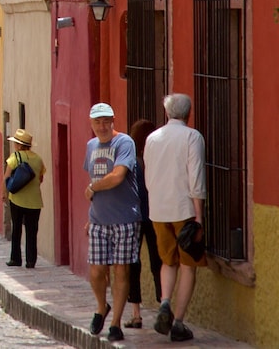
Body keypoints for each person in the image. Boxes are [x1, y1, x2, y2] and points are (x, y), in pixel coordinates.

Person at [143, 94, 206, 343]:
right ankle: (178, 322)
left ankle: (165, 302)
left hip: (158, 209)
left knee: (168, 261)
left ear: (167, 113)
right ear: (188, 113)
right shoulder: (192, 137)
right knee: (188, 266)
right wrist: (199, 216)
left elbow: (149, 175)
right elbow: (196, 178)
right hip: (184, 210)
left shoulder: (152, 138)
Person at [83, 102, 141, 343]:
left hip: (125, 218)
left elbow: (117, 176)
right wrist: (89, 215)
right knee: (96, 271)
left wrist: (93, 187)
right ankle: (100, 307)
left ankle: (116, 323)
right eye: (98, 121)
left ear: (113, 120)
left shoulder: (124, 142)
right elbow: (93, 179)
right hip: (99, 219)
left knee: (121, 269)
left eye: (106, 120)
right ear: (92, 123)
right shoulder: (91, 146)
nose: (102, 126)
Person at [125, 119, 163, 329]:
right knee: (159, 262)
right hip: (156, 216)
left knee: (133, 264)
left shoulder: (131, 162)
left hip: (135, 218)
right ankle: (163, 306)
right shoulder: (156, 160)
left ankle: (136, 313)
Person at [2, 129, 45, 269]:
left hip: (17, 199)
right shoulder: (38, 159)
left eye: (15, 143)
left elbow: (6, 177)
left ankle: (15, 258)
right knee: (32, 231)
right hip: (35, 201)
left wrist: (4, 194)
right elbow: (40, 178)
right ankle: (31, 261)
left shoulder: (15, 157)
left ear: (20, 145)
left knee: (17, 229)